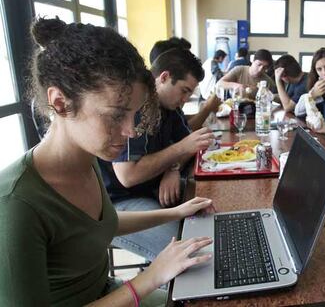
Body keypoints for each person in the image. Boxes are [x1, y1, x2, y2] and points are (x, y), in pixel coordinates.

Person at [0, 18, 215, 306]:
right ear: (60, 102)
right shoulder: (15, 204)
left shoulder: (86, 160)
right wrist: (150, 277)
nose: (130, 131)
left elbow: (102, 225)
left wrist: (178, 212)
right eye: (116, 115)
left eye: (134, 115)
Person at [99, 47, 215, 261]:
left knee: (213, 206)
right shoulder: (136, 108)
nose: (185, 99)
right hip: (119, 202)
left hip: (151, 186)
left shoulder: (169, 107)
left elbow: (189, 145)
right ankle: (166, 284)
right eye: (184, 90)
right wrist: (180, 150)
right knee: (189, 251)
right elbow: (128, 176)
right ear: (164, 77)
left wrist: (173, 167)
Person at [149, 37, 221, 131]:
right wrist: (207, 109)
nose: (185, 99)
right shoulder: (143, 106)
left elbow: (182, 127)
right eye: (184, 56)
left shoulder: (170, 105)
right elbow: (187, 130)